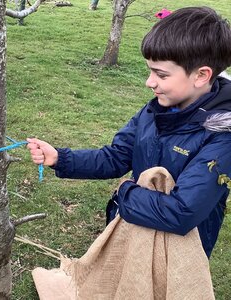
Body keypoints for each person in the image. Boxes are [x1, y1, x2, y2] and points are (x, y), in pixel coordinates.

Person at [27, 6, 231, 258]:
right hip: (137, 227)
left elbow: (182, 212)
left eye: (161, 74)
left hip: (181, 251)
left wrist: (124, 192)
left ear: (201, 75)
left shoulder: (222, 136)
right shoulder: (155, 111)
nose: (150, 82)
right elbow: (115, 157)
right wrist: (61, 158)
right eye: (149, 70)